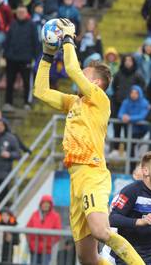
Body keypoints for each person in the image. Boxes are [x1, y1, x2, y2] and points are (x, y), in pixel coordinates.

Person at [33, 18, 145, 264]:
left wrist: (69, 38)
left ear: (95, 82)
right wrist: (47, 55)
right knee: (87, 259)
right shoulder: (75, 102)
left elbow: (73, 70)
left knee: (101, 231)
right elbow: (40, 92)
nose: (79, 77)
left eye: (85, 74)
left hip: (92, 172)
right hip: (76, 177)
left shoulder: (99, 98)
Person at [3, 4, 39, 111]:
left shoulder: (32, 25)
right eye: (19, 13)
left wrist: (35, 57)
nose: (20, 14)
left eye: (22, 12)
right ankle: (8, 102)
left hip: (26, 59)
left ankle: (27, 102)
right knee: (9, 82)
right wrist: (5, 54)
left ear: (26, 13)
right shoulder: (13, 24)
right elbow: (7, 40)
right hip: (11, 59)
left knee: (27, 82)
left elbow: (36, 42)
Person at [27, 195, 62, 265]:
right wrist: (31, 244)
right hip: (34, 249)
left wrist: (49, 244)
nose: (45, 205)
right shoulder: (35, 214)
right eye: (44, 203)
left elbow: (58, 233)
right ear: (41, 204)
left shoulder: (55, 216)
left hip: (46, 250)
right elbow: (28, 229)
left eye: (48, 203)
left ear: (50, 205)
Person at [117, 85, 151, 158]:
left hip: (142, 131)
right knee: (130, 149)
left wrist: (129, 118)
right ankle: (130, 167)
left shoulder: (144, 103)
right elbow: (120, 114)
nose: (133, 95)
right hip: (130, 130)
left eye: (136, 93)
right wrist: (123, 117)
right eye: (132, 93)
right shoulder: (126, 102)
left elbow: (142, 116)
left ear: (139, 94)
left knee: (141, 150)